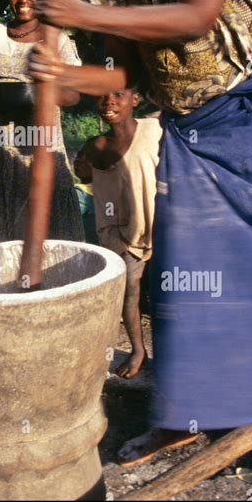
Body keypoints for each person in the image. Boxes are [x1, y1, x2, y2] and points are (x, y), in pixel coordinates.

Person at [29, 0, 252, 465]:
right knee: (185, 282)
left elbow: (196, 11)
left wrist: (81, 13)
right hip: (191, 140)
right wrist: (61, 73)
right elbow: (125, 75)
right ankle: (185, 415)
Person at [0, 0, 84, 244]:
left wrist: (40, 94)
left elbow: (74, 94)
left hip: (42, 146)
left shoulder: (56, 38)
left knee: (52, 233)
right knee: (3, 238)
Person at [77, 89, 161, 379]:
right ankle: (139, 351)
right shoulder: (96, 146)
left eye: (119, 94)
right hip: (123, 233)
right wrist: (85, 166)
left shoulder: (154, 129)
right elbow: (84, 175)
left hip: (160, 223)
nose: (108, 100)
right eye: (101, 96)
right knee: (130, 293)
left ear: (135, 99)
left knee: (167, 291)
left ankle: (173, 351)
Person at [73, 146, 98, 245]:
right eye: (79, 156)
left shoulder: (79, 193)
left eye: (89, 158)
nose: (79, 161)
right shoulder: (108, 192)